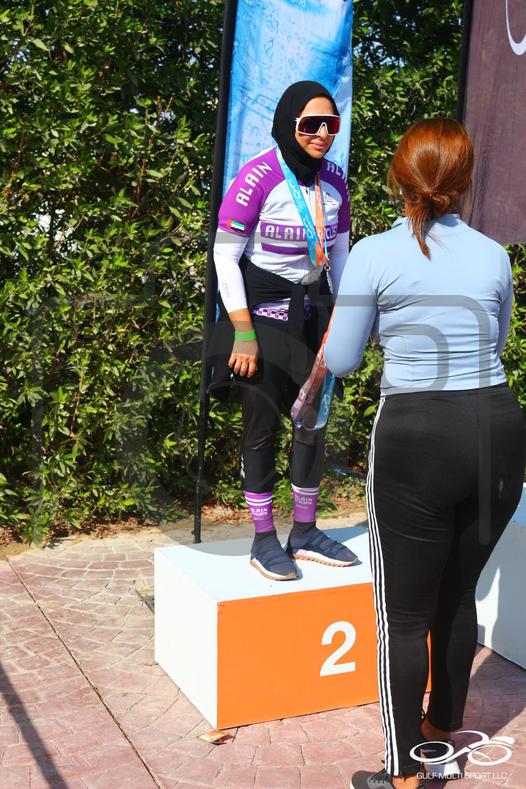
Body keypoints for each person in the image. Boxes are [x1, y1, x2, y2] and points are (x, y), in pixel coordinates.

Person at [323, 118, 526, 789]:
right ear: (465, 179)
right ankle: (442, 733)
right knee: (458, 594)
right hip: (496, 426)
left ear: (398, 177)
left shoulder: (373, 254)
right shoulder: (495, 255)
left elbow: (342, 359)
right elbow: (495, 342)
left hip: (417, 432)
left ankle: (403, 773)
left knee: (404, 617)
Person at [210, 81, 358, 581]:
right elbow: (224, 257)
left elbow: (340, 254)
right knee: (262, 428)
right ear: (288, 124)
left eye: (331, 125)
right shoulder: (259, 176)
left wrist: (343, 320)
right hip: (262, 315)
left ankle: (305, 531)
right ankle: (262, 538)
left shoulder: (334, 179)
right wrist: (242, 333)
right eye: (311, 124)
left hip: (315, 313)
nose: (322, 134)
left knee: (312, 422)